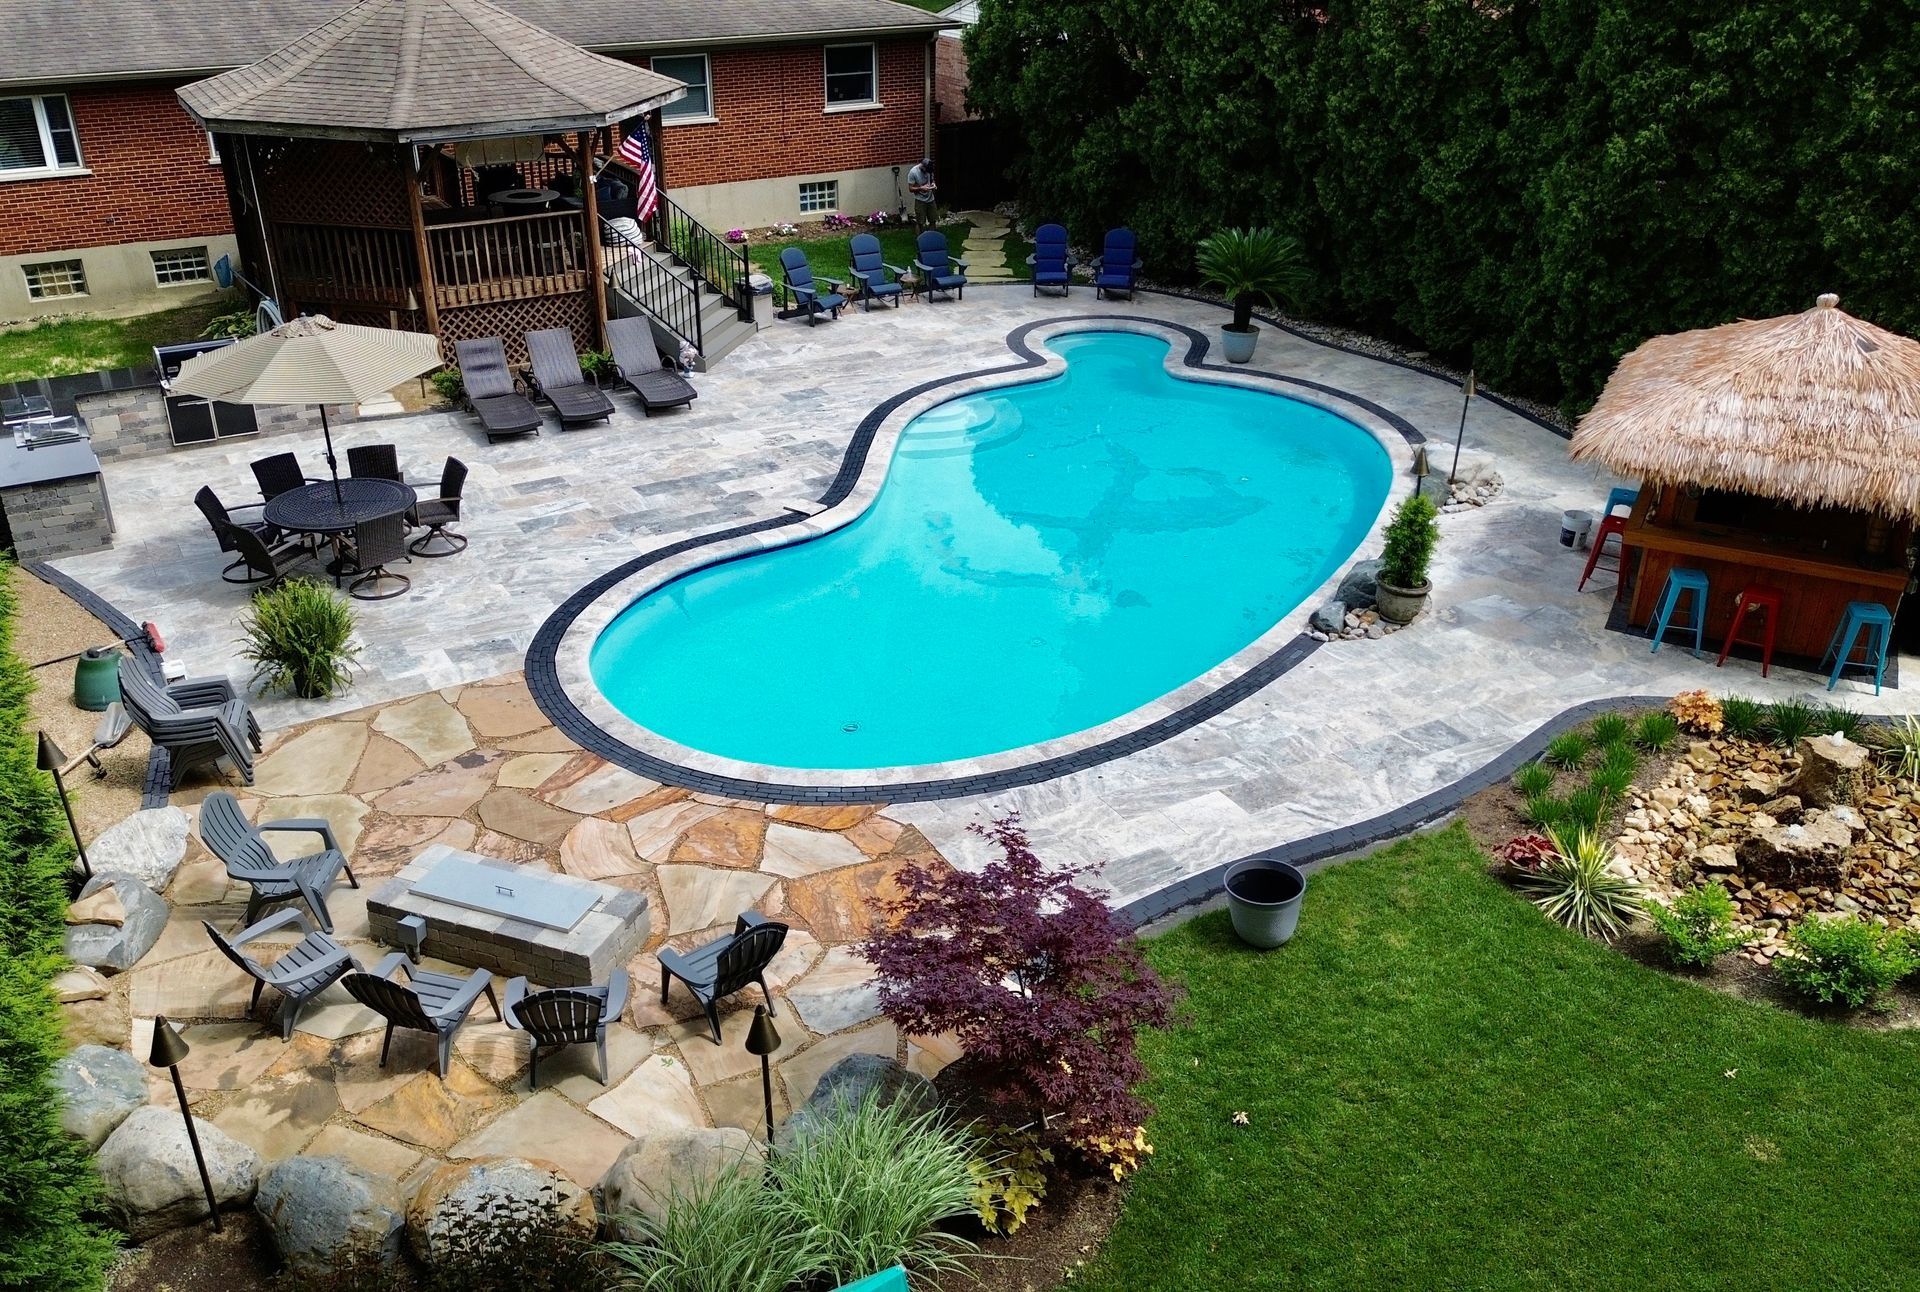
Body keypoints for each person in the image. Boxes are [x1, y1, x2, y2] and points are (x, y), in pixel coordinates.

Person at [906, 156, 937, 229]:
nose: (927, 172)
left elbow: (932, 180)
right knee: (920, 222)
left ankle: (932, 237)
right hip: (920, 200)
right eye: (926, 170)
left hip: (931, 199)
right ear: (923, 166)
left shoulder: (929, 169)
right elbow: (910, 189)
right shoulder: (913, 172)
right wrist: (920, 188)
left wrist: (933, 184)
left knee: (933, 220)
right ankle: (919, 238)